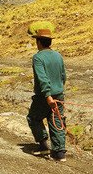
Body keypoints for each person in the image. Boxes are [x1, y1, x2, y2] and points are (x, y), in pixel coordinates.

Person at [25, 21, 67, 162]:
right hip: (59, 94)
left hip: (44, 96)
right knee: (56, 121)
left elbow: (42, 78)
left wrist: (48, 96)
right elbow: (63, 76)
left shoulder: (38, 57)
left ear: (39, 42)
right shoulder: (58, 56)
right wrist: (57, 91)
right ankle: (59, 153)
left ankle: (43, 145)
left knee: (34, 118)